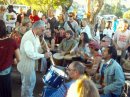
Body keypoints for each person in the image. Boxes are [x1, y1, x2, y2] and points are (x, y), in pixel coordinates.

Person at [17, 20, 52, 97]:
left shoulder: (35, 35)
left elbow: (37, 50)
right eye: (42, 30)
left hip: (30, 64)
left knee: (29, 84)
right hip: (26, 65)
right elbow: (30, 54)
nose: (43, 32)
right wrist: (44, 55)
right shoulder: (29, 37)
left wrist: (43, 47)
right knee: (28, 85)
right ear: (37, 28)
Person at [0, 19, 20, 97]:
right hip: (5, 72)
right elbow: (19, 59)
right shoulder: (12, 41)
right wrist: (12, 60)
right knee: (5, 92)